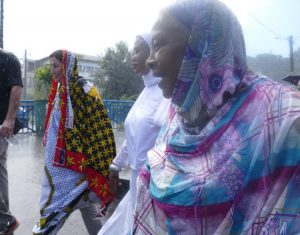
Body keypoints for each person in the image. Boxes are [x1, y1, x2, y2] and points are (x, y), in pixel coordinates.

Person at [133, 0, 300, 234]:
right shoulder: (181, 115)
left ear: (203, 44)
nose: (149, 61)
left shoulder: (283, 115)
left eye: (159, 45)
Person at [32, 49, 116, 235]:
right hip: (59, 163)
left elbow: (98, 126)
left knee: (55, 205)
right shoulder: (62, 89)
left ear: (67, 66)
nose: (52, 71)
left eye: (55, 66)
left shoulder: (82, 90)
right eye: (50, 66)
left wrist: (97, 159)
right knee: (84, 204)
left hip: (69, 168)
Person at [98, 34, 169, 235]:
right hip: (137, 181)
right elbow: (132, 138)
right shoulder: (146, 92)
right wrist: (116, 165)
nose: (132, 56)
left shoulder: (166, 94)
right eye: (132, 50)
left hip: (156, 185)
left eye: (138, 50)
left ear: (153, 51)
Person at [0, 49, 22, 235]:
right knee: (1, 172)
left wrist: (9, 119)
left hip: (1, 125)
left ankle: (5, 219)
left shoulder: (8, 59)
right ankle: (5, 220)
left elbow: (16, 88)